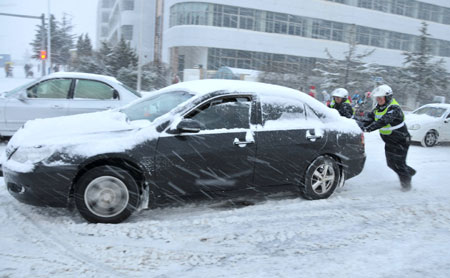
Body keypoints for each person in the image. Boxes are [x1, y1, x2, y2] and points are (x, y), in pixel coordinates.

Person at [357, 84, 416, 191]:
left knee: (399, 164)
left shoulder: (394, 108)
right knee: (391, 164)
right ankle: (409, 172)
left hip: (401, 140)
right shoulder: (378, 108)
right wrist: (357, 125)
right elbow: (369, 118)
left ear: (387, 97)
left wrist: (368, 129)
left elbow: (383, 121)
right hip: (390, 141)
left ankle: (406, 186)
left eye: (380, 98)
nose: (378, 100)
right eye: (377, 98)